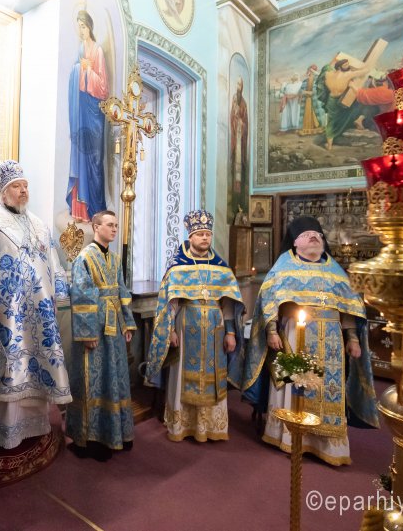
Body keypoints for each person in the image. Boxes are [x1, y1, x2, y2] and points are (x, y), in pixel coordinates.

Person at [229, 216, 379, 465]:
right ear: (295, 242)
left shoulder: (335, 271)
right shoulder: (284, 267)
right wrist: (272, 332)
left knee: (327, 388)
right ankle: (289, 436)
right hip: (292, 336)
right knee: (293, 384)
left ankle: (327, 445)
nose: (313, 237)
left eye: (317, 235)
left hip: (331, 340)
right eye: (307, 235)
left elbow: (349, 308)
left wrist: (352, 338)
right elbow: (269, 301)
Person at [0, 160, 72, 448]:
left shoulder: (39, 224)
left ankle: (34, 427)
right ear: (3, 192)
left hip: (40, 311)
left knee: (38, 364)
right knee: (11, 366)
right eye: (17, 186)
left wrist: (57, 297)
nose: (24, 190)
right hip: (6, 312)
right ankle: (1, 431)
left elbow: (53, 261)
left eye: (25, 185)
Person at [145, 209, 244, 442]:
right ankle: (183, 425)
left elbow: (228, 303)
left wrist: (230, 332)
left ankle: (210, 427)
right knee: (182, 375)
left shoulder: (221, 267)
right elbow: (169, 302)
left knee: (213, 378)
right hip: (185, 326)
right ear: (190, 237)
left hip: (215, 332)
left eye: (208, 234)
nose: (205, 238)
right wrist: (170, 330)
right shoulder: (178, 267)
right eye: (200, 234)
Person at [66, 210, 136, 460]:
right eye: (109, 225)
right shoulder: (84, 257)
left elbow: (122, 291)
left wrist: (127, 324)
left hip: (114, 326)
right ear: (96, 227)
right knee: (92, 380)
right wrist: (87, 333)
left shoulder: (115, 259)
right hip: (94, 327)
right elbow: (81, 296)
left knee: (114, 377)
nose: (114, 229)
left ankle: (115, 433)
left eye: (116, 225)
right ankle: (90, 439)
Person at [66, 10, 109, 222]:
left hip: (94, 112)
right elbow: (74, 73)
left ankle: (95, 209)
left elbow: (103, 88)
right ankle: (80, 210)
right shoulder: (80, 49)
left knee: (94, 158)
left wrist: (88, 71)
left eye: (83, 26)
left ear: (89, 27)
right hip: (81, 110)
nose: (81, 31)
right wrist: (79, 69)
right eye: (78, 27)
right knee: (80, 155)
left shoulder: (97, 50)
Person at [228, 76, 249, 221]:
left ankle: (241, 201)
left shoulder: (244, 102)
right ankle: (234, 202)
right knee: (234, 170)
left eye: (239, 84)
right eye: (236, 84)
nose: (238, 86)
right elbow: (232, 117)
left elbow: (245, 120)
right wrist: (236, 121)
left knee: (240, 170)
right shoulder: (234, 99)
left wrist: (242, 123)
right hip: (236, 138)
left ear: (242, 86)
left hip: (241, 140)